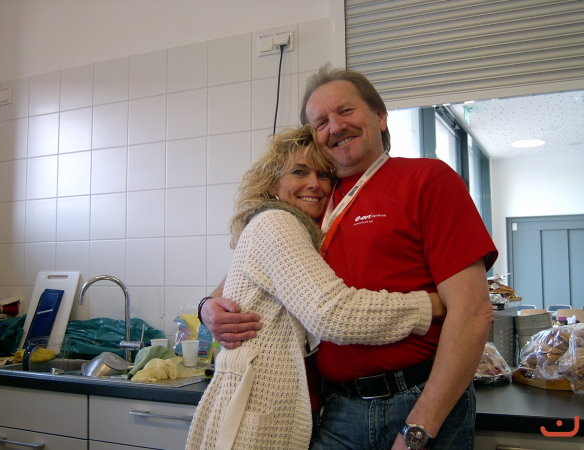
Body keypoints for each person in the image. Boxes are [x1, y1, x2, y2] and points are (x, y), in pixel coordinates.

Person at [200, 67, 498, 449]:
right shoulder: (312, 201)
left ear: (380, 116)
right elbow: (249, 271)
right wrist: (208, 307)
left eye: (345, 111)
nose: (336, 127)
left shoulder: (427, 179)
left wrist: (420, 427)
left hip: (416, 396)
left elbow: (473, 312)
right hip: (337, 408)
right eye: (321, 122)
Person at [186, 125, 444, 450]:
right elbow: (332, 314)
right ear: (272, 183)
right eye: (299, 172)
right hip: (256, 417)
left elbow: (230, 289)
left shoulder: (301, 231)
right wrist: (430, 305)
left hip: (297, 408)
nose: (314, 184)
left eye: (324, 175)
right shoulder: (276, 222)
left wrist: (206, 306)